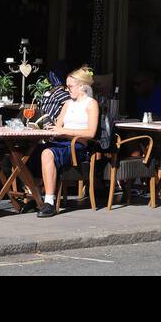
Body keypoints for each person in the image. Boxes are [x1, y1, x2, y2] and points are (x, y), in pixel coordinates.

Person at [37, 66, 99, 218]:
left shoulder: (91, 104)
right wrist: (50, 129)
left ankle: (49, 202)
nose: (67, 89)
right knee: (28, 153)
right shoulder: (67, 104)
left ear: (82, 86)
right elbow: (58, 127)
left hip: (76, 146)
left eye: (70, 86)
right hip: (61, 142)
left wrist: (65, 132)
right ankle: (34, 196)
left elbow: (91, 133)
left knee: (46, 153)